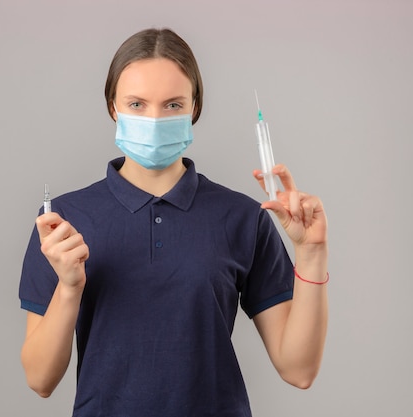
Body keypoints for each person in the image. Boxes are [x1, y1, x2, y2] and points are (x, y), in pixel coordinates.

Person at [19, 28, 328, 417]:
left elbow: (299, 369)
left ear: (194, 108)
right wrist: (69, 287)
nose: (153, 119)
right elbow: (40, 379)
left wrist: (312, 254)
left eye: (172, 105)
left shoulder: (243, 218)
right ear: (113, 107)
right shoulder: (62, 225)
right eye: (136, 103)